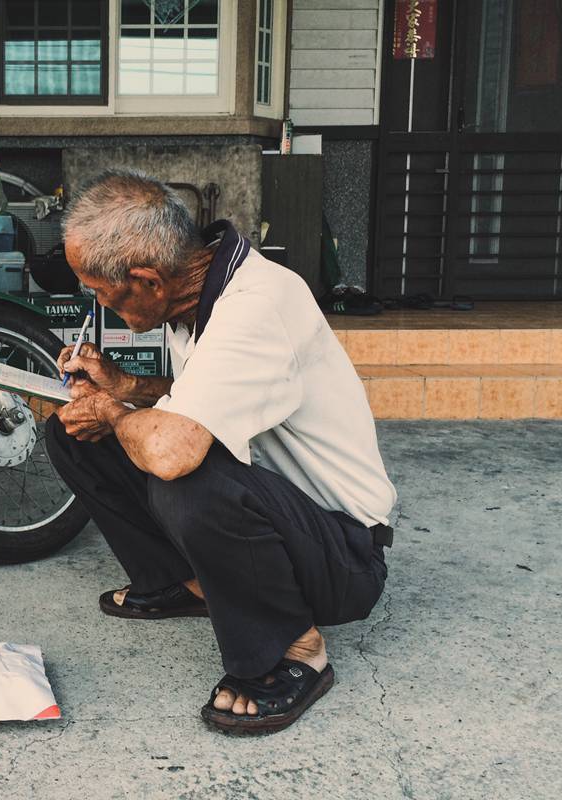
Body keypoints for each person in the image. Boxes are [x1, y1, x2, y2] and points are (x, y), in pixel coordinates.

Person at [46, 169, 397, 734]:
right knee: (75, 434)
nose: (95, 303)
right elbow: (199, 396)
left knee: (186, 478)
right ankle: (188, 583)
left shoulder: (255, 305)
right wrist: (120, 386)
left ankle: (295, 646)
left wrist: (113, 412)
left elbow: (173, 452)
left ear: (147, 281)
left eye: (96, 289)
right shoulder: (198, 293)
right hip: (283, 518)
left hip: (343, 556)